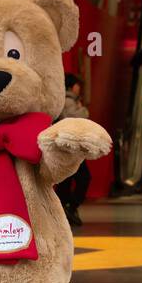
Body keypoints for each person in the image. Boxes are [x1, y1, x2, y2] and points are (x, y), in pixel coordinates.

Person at [54, 73, 92, 228]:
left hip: (66, 147)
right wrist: (84, 111)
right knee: (84, 177)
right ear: (71, 86)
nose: (79, 88)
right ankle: (70, 206)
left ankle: (64, 210)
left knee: (66, 180)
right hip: (70, 147)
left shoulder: (66, 100)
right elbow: (75, 119)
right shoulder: (69, 101)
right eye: (78, 85)